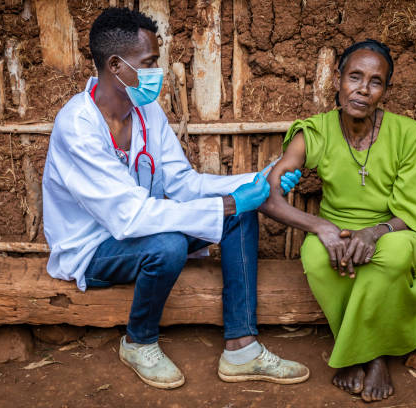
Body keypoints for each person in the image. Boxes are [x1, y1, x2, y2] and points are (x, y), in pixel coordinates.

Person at [42, 8, 309, 389]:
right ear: (116, 65)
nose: (156, 72)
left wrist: (257, 179)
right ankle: (138, 342)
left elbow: (183, 182)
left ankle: (241, 348)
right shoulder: (77, 126)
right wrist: (229, 203)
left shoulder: (145, 110)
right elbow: (128, 218)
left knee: (238, 214)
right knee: (167, 246)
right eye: (148, 63)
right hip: (93, 248)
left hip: (140, 229)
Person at [260, 39, 416, 402]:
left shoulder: (406, 134)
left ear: (385, 90)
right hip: (334, 229)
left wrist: (375, 232)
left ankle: (366, 357)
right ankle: (371, 351)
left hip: (392, 229)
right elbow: (269, 194)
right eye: (354, 77)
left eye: (375, 82)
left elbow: (412, 213)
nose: (362, 89)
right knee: (316, 258)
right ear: (336, 79)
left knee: (391, 257)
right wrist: (322, 227)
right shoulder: (314, 131)